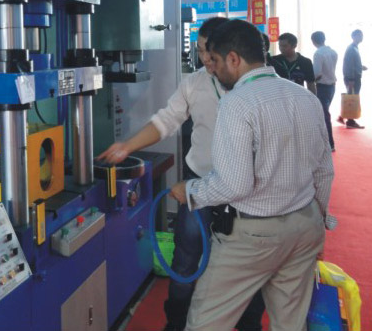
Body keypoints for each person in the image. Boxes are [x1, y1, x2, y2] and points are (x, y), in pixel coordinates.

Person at [97, 17, 265, 331]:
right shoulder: (194, 83)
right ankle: (175, 323)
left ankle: (249, 324)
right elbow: (166, 120)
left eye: (208, 51)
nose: (204, 58)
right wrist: (127, 145)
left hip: (246, 193)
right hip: (198, 186)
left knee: (247, 266)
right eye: (199, 50)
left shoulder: (254, 86)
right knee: (185, 260)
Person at [169, 19, 334, 331]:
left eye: (215, 61)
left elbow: (235, 184)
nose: (212, 69)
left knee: (205, 322)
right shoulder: (305, 98)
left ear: (233, 58)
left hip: (254, 235)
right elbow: (325, 171)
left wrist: (189, 191)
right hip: (306, 227)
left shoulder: (237, 103)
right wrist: (318, 219)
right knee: (290, 322)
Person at [311, 31, 337, 151]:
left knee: (324, 116)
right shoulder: (333, 52)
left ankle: (330, 143)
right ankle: (328, 143)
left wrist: (310, 79)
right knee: (325, 114)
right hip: (332, 86)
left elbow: (317, 73)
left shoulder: (318, 54)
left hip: (322, 87)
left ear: (313, 41)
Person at [339, 29, 367, 129]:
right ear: (354, 36)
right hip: (353, 78)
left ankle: (344, 116)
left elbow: (352, 63)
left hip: (353, 77)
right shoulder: (351, 49)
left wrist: (360, 67)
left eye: (362, 35)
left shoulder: (354, 48)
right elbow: (349, 65)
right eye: (359, 35)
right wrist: (351, 79)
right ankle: (350, 121)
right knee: (352, 99)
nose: (361, 37)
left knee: (351, 97)